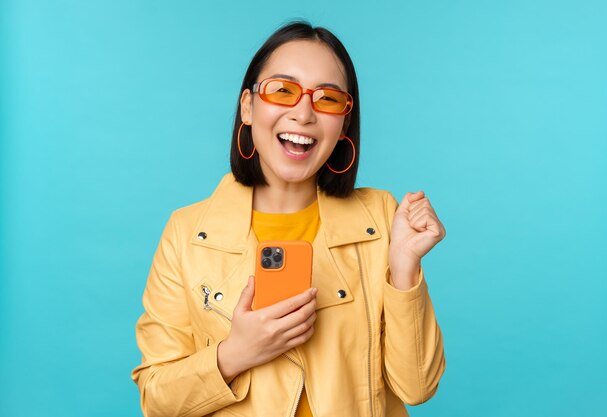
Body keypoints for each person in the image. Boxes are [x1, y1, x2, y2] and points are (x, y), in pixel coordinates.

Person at [131, 21, 446, 417]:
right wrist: (234, 355)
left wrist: (404, 270)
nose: (304, 114)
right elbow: (156, 399)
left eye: (328, 99)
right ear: (247, 106)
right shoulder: (186, 233)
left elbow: (417, 387)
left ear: (344, 123)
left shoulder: (381, 218)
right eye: (283, 91)